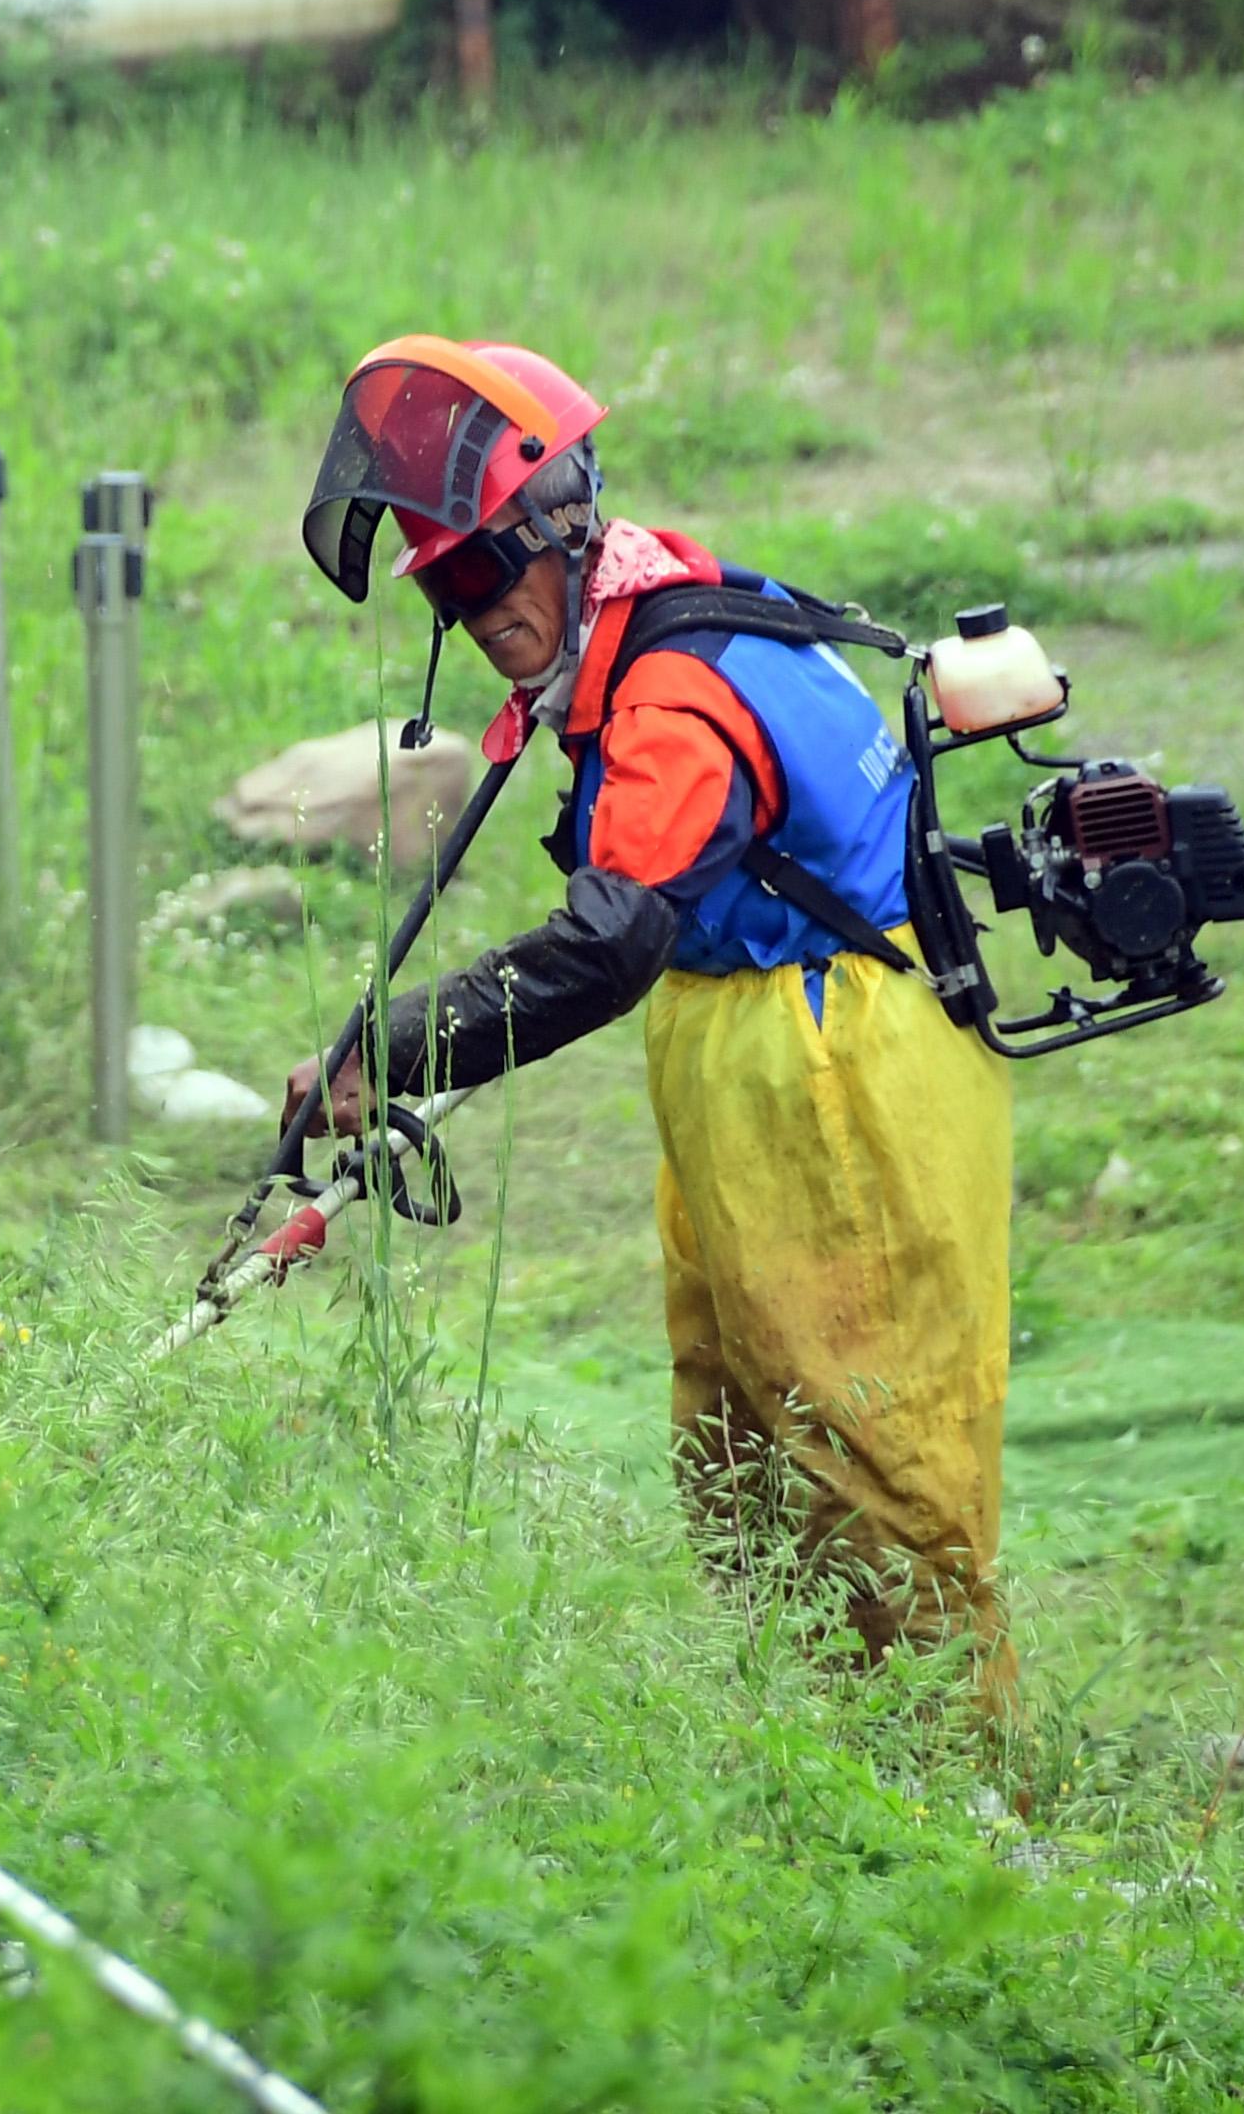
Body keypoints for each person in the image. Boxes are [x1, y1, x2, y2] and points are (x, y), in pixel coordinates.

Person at [285, 335, 1017, 1730]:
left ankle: (966, 1810)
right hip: (749, 1051)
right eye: (444, 584)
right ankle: (812, 1748)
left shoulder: (677, 693)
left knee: (870, 1451)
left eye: (488, 567)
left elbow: (603, 947)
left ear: (567, 534)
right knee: (740, 1434)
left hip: (835, 1073)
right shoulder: (646, 615)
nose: (475, 608)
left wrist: (394, 1052)